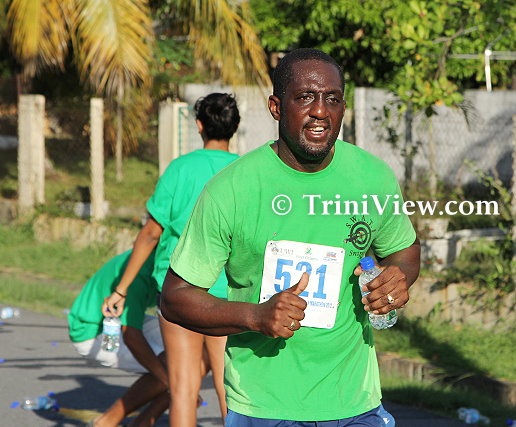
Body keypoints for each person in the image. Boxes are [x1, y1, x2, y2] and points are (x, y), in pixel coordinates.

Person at [160, 48, 421, 425]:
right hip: (264, 407)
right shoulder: (232, 189)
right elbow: (175, 297)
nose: (320, 111)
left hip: (355, 403)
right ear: (276, 107)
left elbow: (405, 251)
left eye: (332, 99)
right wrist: (255, 316)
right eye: (305, 97)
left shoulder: (372, 177)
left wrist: (397, 278)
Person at [102, 93, 241, 425]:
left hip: (179, 288)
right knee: (229, 391)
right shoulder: (244, 171)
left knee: (182, 390)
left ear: (199, 125)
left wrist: (121, 289)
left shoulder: (180, 169)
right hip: (227, 292)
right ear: (234, 127)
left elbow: (152, 233)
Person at [68, 249, 169, 427]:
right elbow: (131, 336)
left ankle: (141, 423)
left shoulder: (160, 256)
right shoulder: (140, 273)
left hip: (123, 320)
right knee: (173, 367)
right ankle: (105, 423)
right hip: (92, 329)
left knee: (195, 350)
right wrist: (170, 383)